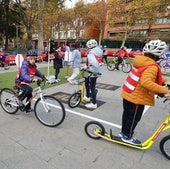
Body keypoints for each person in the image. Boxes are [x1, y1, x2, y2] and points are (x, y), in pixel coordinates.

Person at [120, 39, 170, 145]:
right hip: (137, 98)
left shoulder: (142, 61)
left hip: (128, 93)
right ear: (159, 55)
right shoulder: (152, 66)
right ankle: (127, 136)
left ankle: (123, 133)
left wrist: (165, 82)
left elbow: (148, 76)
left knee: (127, 115)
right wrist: (164, 90)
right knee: (134, 118)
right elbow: (146, 82)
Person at [83, 39, 103, 109]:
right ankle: (88, 96)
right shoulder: (99, 51)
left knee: (92, 87)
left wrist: (87, 67)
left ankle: (94, 103)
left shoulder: (91, 53)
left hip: (92, 72)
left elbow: (94, 63)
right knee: (88, 83)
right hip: (96, 71)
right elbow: (99, 62)